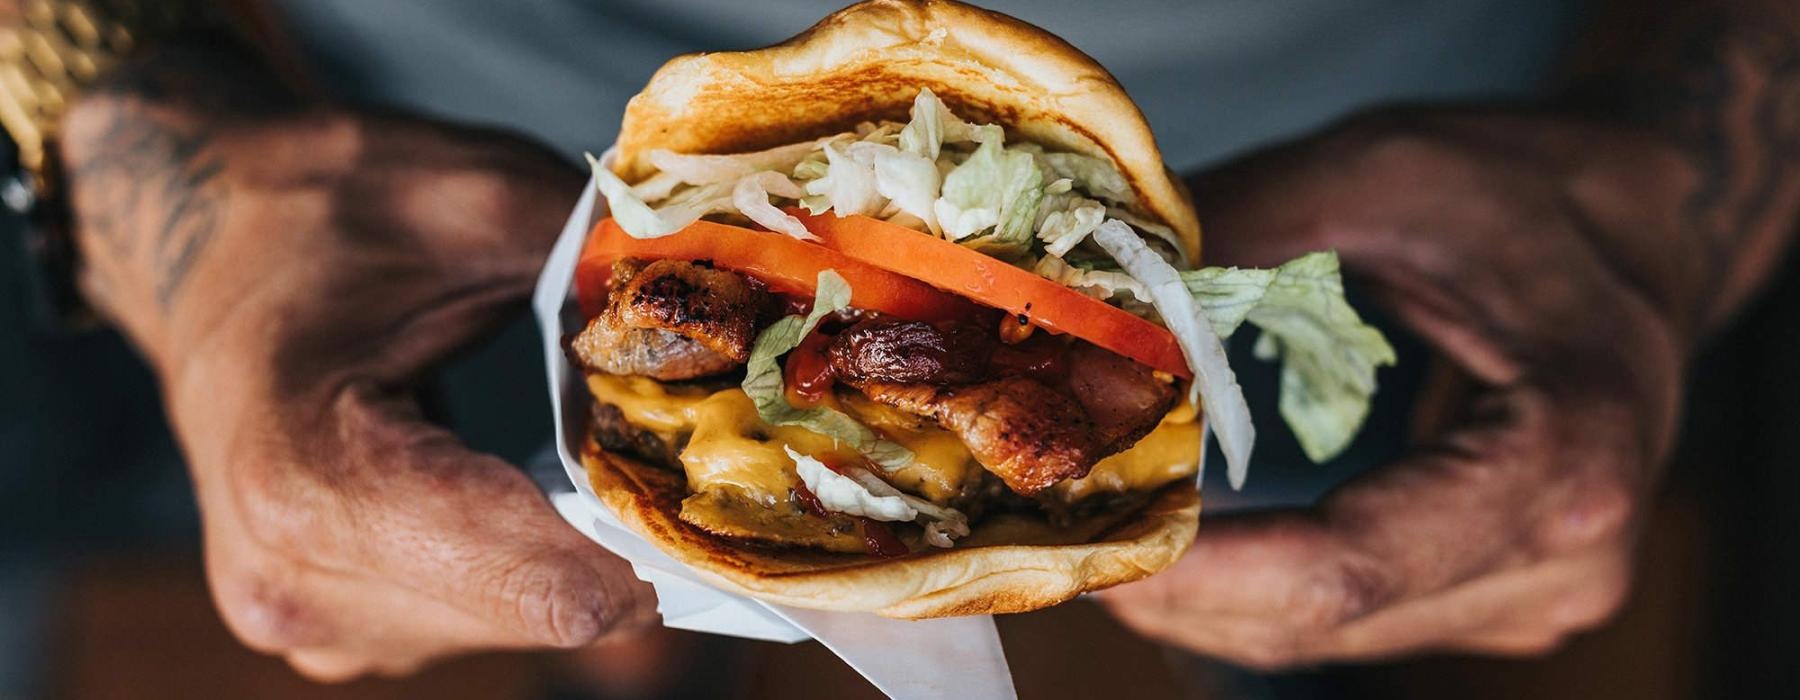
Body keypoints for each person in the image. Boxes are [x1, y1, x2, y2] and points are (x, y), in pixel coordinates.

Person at [2, 0, 1795, 685]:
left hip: (1434, 210)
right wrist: (119, 108)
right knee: (571, 584)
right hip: (430, 189)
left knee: (1351, 635)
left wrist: (1683, 157)